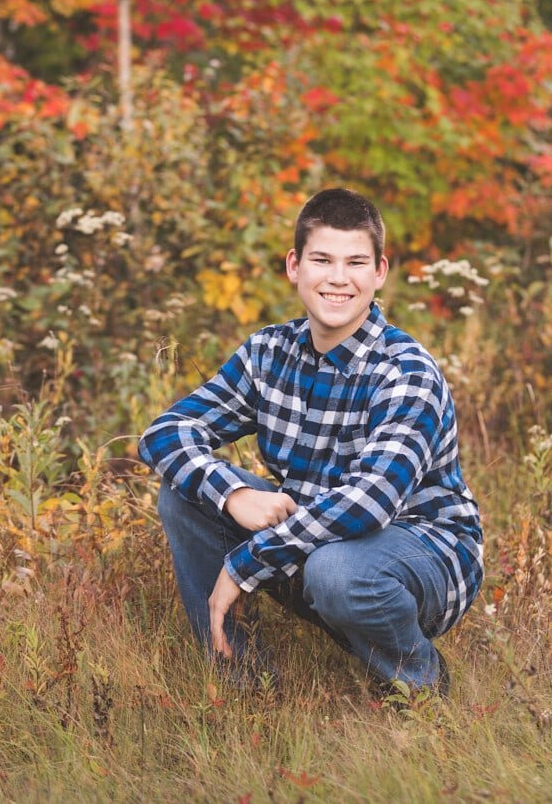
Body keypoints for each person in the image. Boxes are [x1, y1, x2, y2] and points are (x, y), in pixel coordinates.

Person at [137, 187, 482, 695]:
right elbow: (164, 433)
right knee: (184, 496)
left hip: (420, 555)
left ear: (379, 272)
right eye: (322, 259)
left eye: (356, 262)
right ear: (295, 266)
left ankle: (422, 690)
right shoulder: (268, 353)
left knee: (335, 570)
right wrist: (235, 495)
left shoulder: (406, 371)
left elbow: (371, 502)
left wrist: (245, 564)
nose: (338, 278)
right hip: (314, 538)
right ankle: (243, 682)